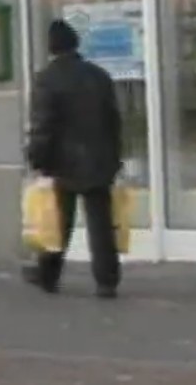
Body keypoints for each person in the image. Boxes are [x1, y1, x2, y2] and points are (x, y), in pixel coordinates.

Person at [24, 19, 123, 298]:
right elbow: (114, 121)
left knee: (56, 222)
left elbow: (43, 124)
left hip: (62, 162)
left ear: (51, 47)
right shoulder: (99, 76)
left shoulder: (48, 79)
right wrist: (115, 157)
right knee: (101, 224)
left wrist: (36, 158)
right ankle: (107, 280)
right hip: (99, 160)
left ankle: (48, 274)